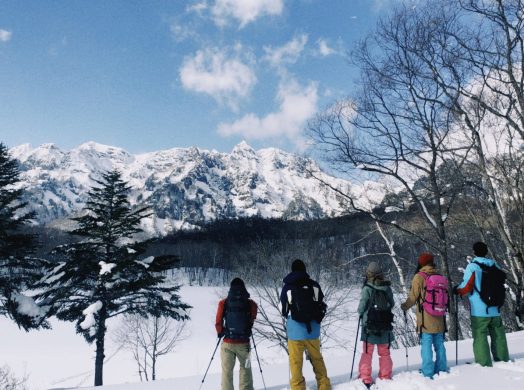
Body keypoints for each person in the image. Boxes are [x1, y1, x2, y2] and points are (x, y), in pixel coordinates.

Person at [454, 241, 510, 366]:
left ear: (474, 252)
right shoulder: (494, 265)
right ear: (486, 252)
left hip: (479, 309)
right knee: (498, 335)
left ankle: (484, 363)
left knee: (480, 335)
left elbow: (466, 287)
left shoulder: (473, 267)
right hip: (495, 307)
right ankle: (503, 359)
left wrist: (456, 289)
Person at [280, 259, 331, 390]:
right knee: (317, 359)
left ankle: (298, 387)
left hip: (295, 331)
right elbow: (320, 303)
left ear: (292, 270)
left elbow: (284, 310)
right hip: (313, 330)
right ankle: (324, 385)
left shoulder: (288, 286)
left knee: (296, 362)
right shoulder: (314, 285)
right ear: (304, 269)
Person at [401, 252, 448, 379]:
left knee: (426, 344)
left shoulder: (419, 277)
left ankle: (428, 371)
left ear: (421, 263)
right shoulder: (439, 276)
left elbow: (413, 297)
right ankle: (442, 368)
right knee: (439, 343)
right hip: (440, 316)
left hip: (425, 318)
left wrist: (404, 306)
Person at [215, 277, 258, 390]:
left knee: (227, 372)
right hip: (244, 345)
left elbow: (218, 322)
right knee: (246, 370)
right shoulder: (250, 303)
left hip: (228, 343)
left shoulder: (223, 303)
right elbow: (253, 317)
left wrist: (220, 332)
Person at [357, 262, 394, 389]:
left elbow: (361, 307)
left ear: (369, 274)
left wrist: (361, 313)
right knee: (384, 353)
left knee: (367, 352)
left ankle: (365, 377)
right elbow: (392, 303)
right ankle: (385, 376)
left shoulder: (367, 288)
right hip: (384, 324)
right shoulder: (386, 287)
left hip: (369, 326)